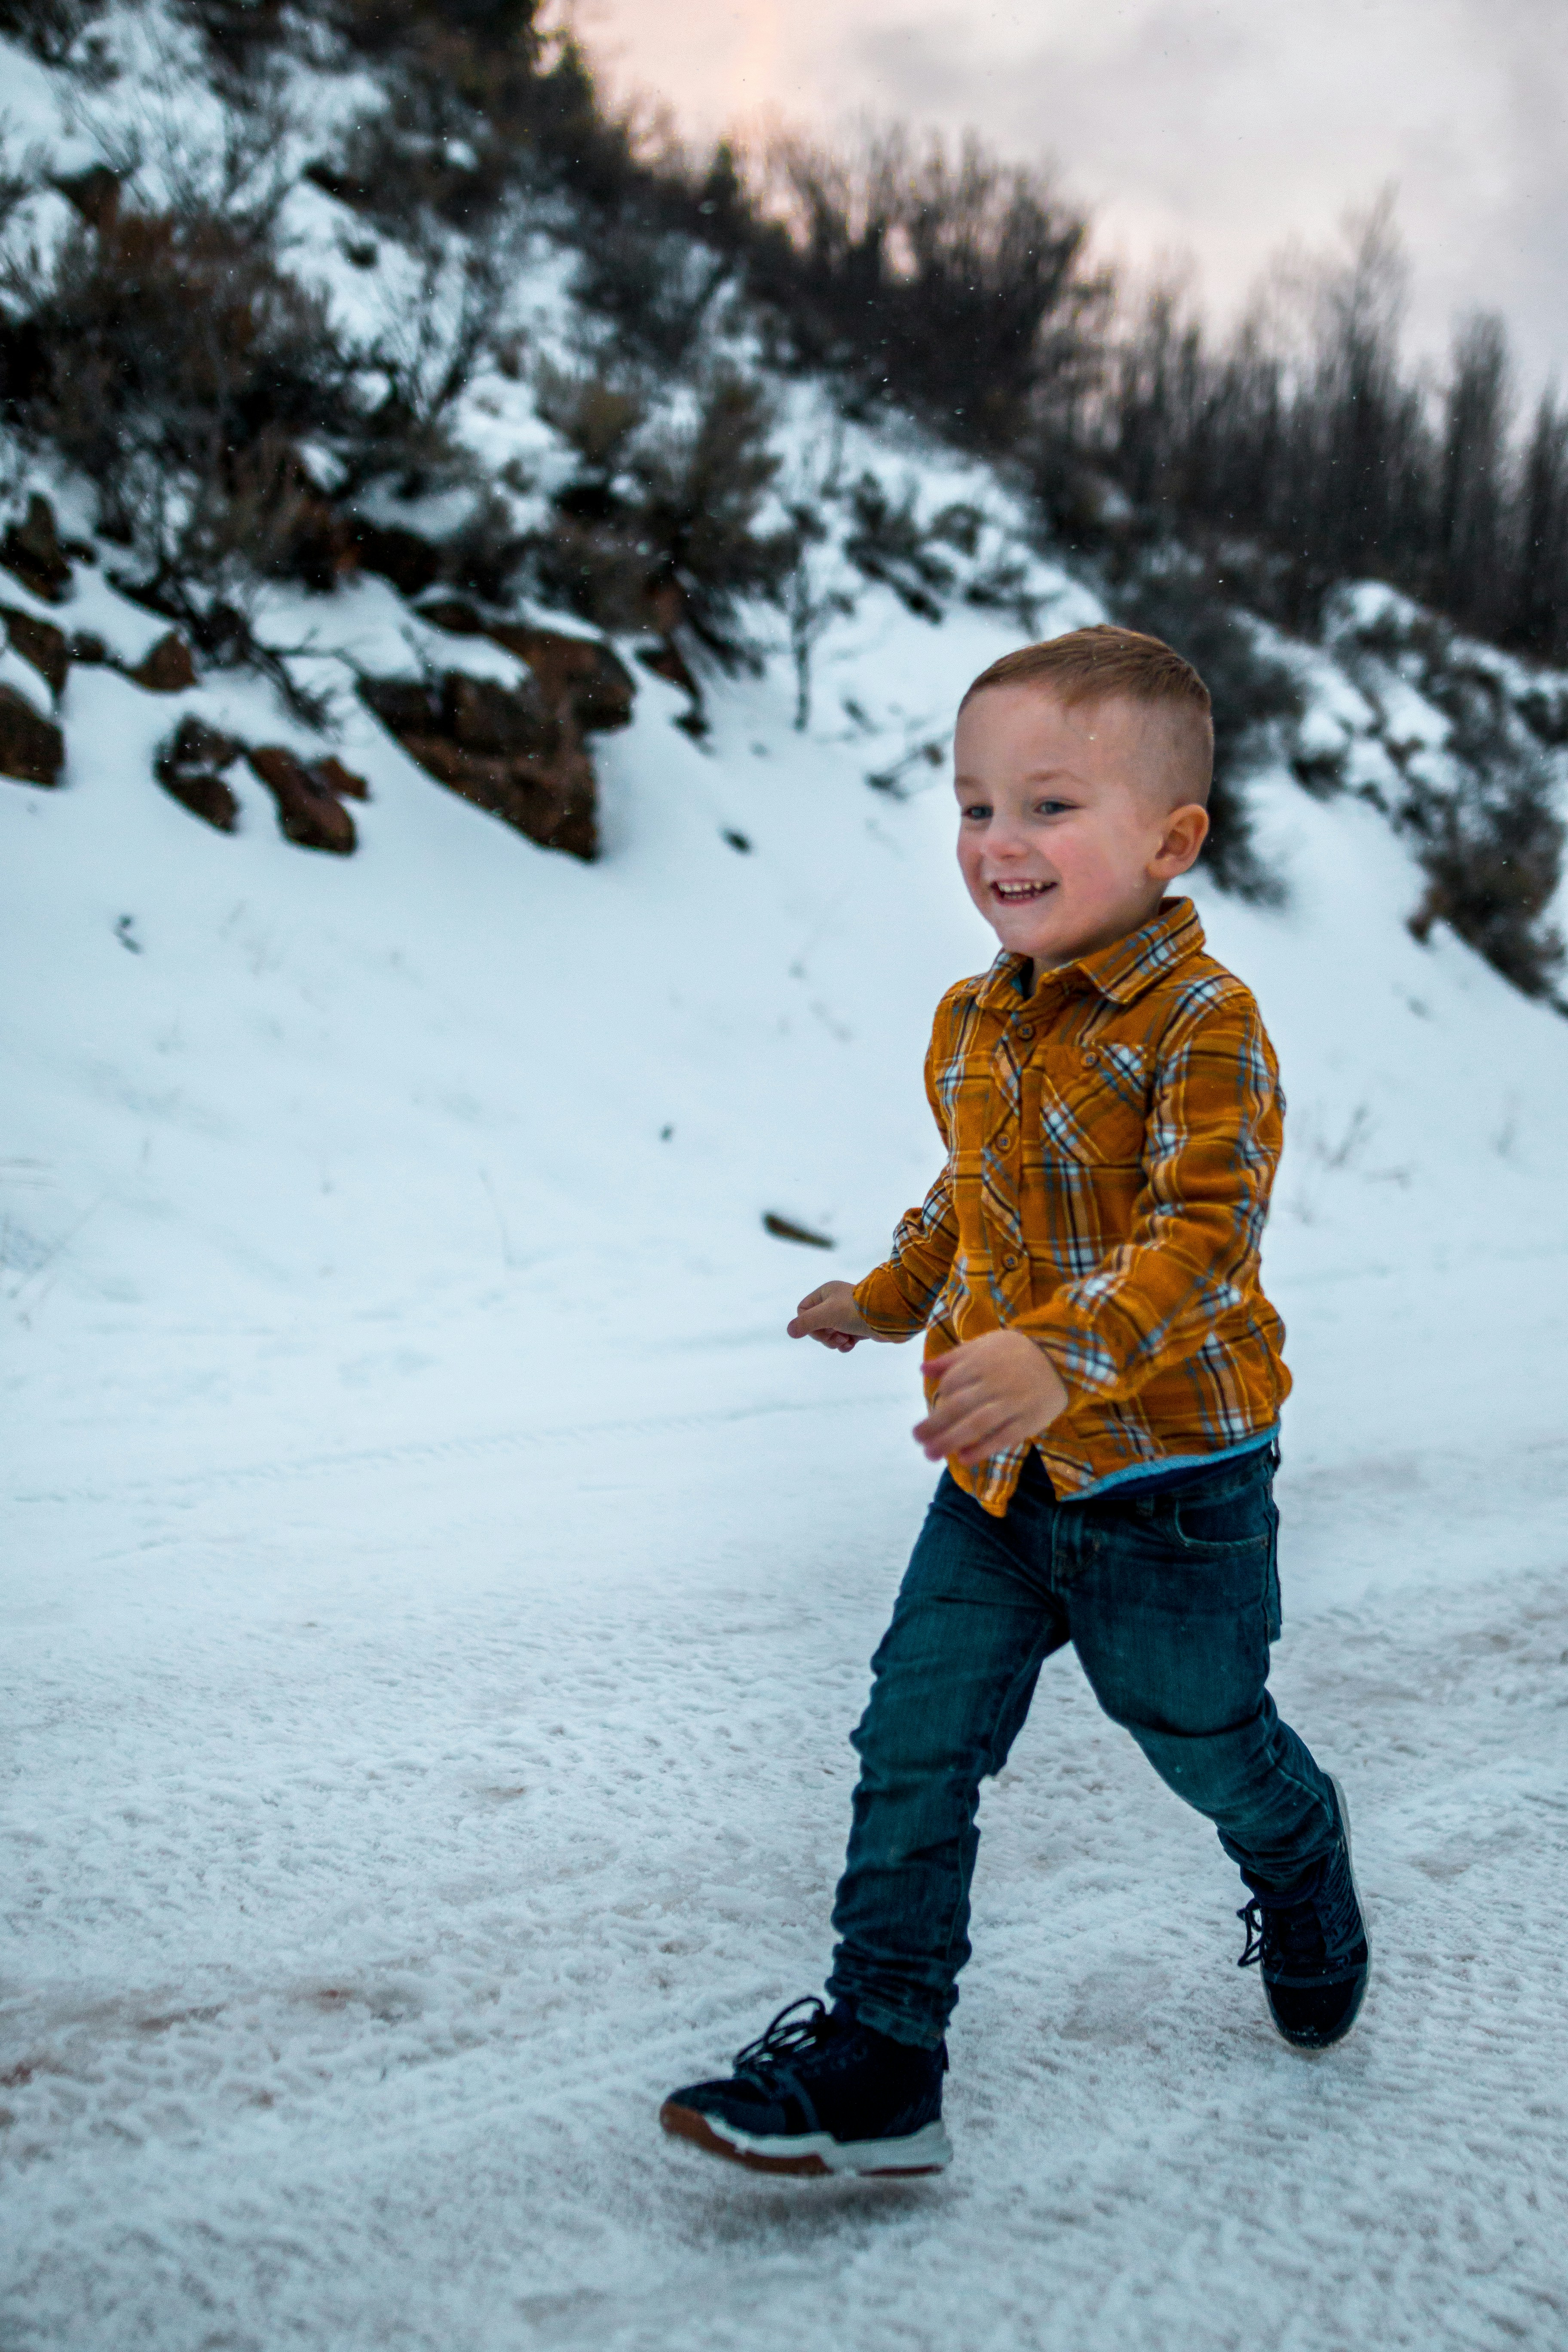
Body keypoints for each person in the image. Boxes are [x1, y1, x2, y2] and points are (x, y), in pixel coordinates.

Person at [660, 625, 1369, 2179]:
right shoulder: (975, 1020)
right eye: (975, 805)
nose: (999, 843)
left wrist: (1063, 1353)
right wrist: (886, 1296)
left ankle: (1298, 1849)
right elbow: (966, 1199)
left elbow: (1202, 1237)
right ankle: (880, 2058)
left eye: (1049, 805)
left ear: (1171, 839)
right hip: (996, 1487)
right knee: (913, 1735)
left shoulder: (1207, 1027)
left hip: (1170, 1480)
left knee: (1197, 1733)